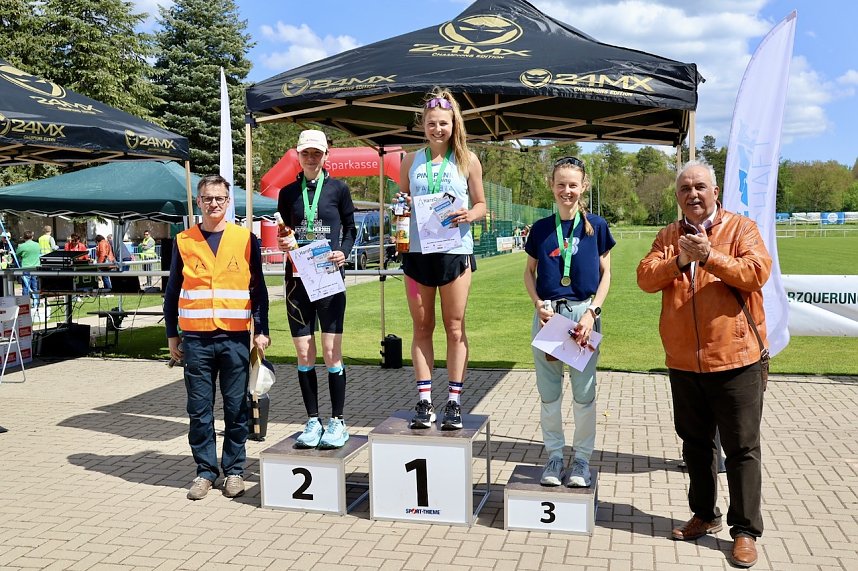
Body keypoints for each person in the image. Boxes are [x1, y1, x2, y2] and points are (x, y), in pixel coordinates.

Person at [636, 160, 771, 568]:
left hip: (736, 359)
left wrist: (709, 256)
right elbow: (645, 277)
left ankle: (745, 531)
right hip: (683, 362)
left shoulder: (741, 228)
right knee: (695, 447)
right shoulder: (668, 235)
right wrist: (679, 260)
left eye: (700, 187)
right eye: (684, 189)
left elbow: (756, 273)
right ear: (677, 197)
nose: (692, 194)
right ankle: (704, 514)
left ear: (715, 192)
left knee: (741, 448)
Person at [163, 174, 270, 501]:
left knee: (237, 407)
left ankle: (235, 470)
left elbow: (259, 290)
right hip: (195, 339)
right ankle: (205, 472)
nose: (213, 204)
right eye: (208, 198)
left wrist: (261, 331)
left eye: (219, 199)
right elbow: (171, 292)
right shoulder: (184, 241)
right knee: (199, 409)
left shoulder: (246, 239)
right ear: (199, 202)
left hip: (235, 339)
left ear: (228, 202)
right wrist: (171, 334)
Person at [398, 88, 486, 430]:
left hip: (454, 252)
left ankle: (453, 402)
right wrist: (400, 209)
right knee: (422, 328)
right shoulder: (410, 160)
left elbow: (481, 205)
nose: (438, 129)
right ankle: (423, 401)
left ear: (454, 125)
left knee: (454, 328)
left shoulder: (468, 160)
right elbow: (402, 202)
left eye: (444, 124)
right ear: (423, 125)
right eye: (432, 123)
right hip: (418, 254)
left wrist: (469, 214)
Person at [523, 156, 614, 487]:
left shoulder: (598, 227)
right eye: (561, 184)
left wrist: (593, 312)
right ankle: (554, 456)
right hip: (548, 315)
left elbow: (607, 276)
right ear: (552, 185)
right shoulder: (541, 228)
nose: (567, 191)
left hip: (582, 318)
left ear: (583, 186)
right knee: (549, 396)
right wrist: (538, 305)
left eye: (573, 185)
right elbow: (528, 273)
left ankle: (582, 461)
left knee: (583, 395)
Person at [277, 129, 356, 449]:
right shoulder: (287, 192)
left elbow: (349, 228)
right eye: (306, 152)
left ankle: (337, 421)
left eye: (317, 153)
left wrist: (345, 252)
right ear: (297, 154)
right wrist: (284, 242)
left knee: (331, 351)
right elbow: (284, 231)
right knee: (304, 352)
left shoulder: (339, 188)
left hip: (328, 276)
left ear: (327, 155)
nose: (311, 158)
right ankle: (312, 420)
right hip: (297, 280)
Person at [15, 231, 41, 308]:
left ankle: (25, 304)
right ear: (32, 237)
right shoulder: (37, 245)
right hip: (36, 268)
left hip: (26, 268)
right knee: (35, 287)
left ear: (24, 237)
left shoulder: (22, 246)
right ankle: (36, 303)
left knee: (26, 287)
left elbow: (17, 255)